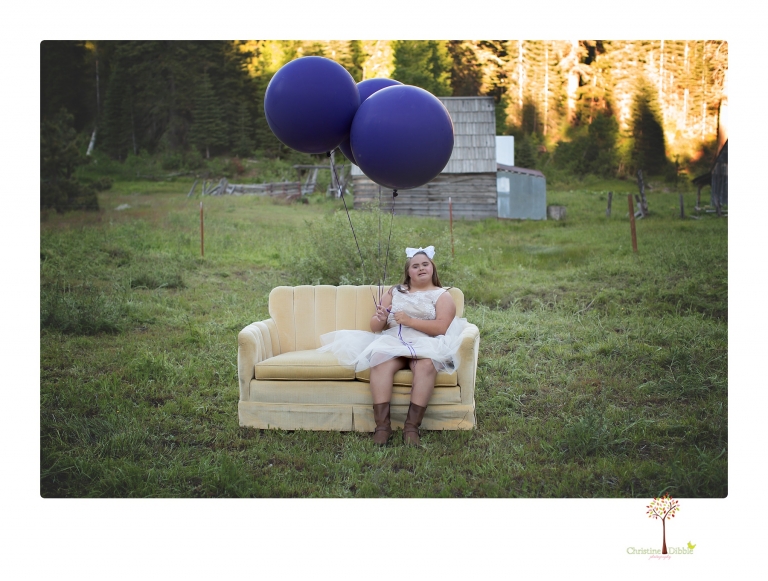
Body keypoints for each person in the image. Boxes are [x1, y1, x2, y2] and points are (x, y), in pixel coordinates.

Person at [318, 246, 467, 446]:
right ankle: (382, 426)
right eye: (415, 266)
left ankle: (411, 427)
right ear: (408, 272)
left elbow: (441, 327)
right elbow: (375, 326)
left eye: (425, 264)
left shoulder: (442, 295)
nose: (421, 268)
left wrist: (410, 320)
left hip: (427, 341)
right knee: (379, 360)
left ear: (432, 268)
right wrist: (380, 318)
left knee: (426, 366)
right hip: (394, 339)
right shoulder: (395, 292)